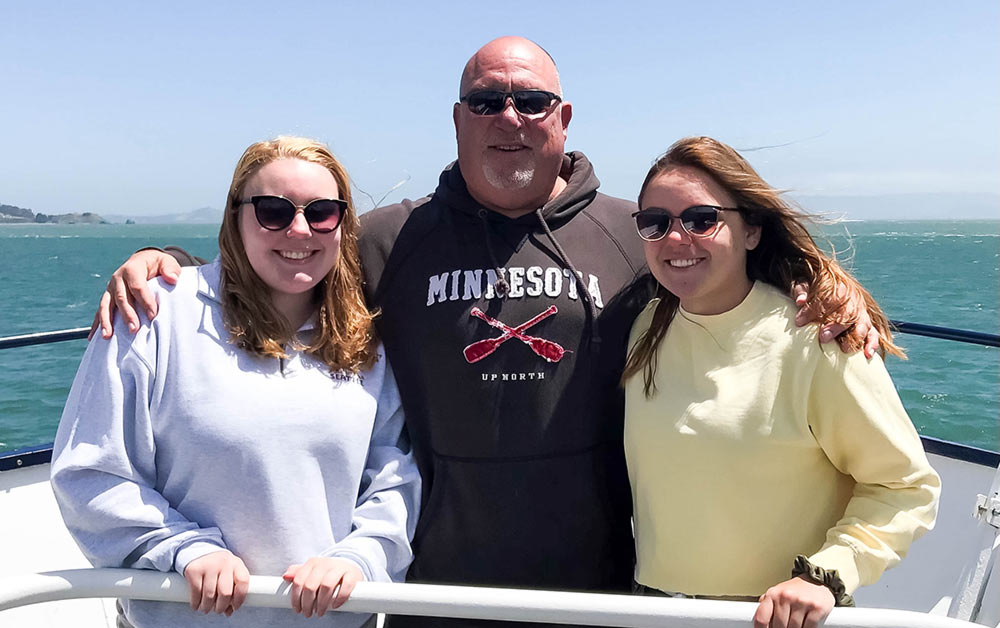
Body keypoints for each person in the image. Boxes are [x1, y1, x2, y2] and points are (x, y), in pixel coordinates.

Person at [89, 38, 882, 627]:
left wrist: (819, 282)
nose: (511, 116)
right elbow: (290, 265)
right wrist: (168, 262)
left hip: (599, 577)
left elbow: (713, 271)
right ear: (459, 118)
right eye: (488, 100)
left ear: (562, 118)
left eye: (531, 101)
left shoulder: (631, 235)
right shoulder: (389, 240)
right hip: (431, 580)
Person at [51, 137, 420, 628]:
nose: (298, 229)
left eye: (322, 212)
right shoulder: (153, 314)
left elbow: (394, 477)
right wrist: (184, 548)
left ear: (343, 223)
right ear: (235, 216)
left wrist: (360, 557)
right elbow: (90, 470)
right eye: (272, 211)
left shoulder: (363, 340)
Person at [623, 136, 941, 628]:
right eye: (655, 222)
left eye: (701, 219)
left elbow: (906, 485)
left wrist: (826, 575)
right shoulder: (646, 328)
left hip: (774, 620)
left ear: (751, 229)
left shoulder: (818, 337)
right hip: (651, 609)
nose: (675, 238)